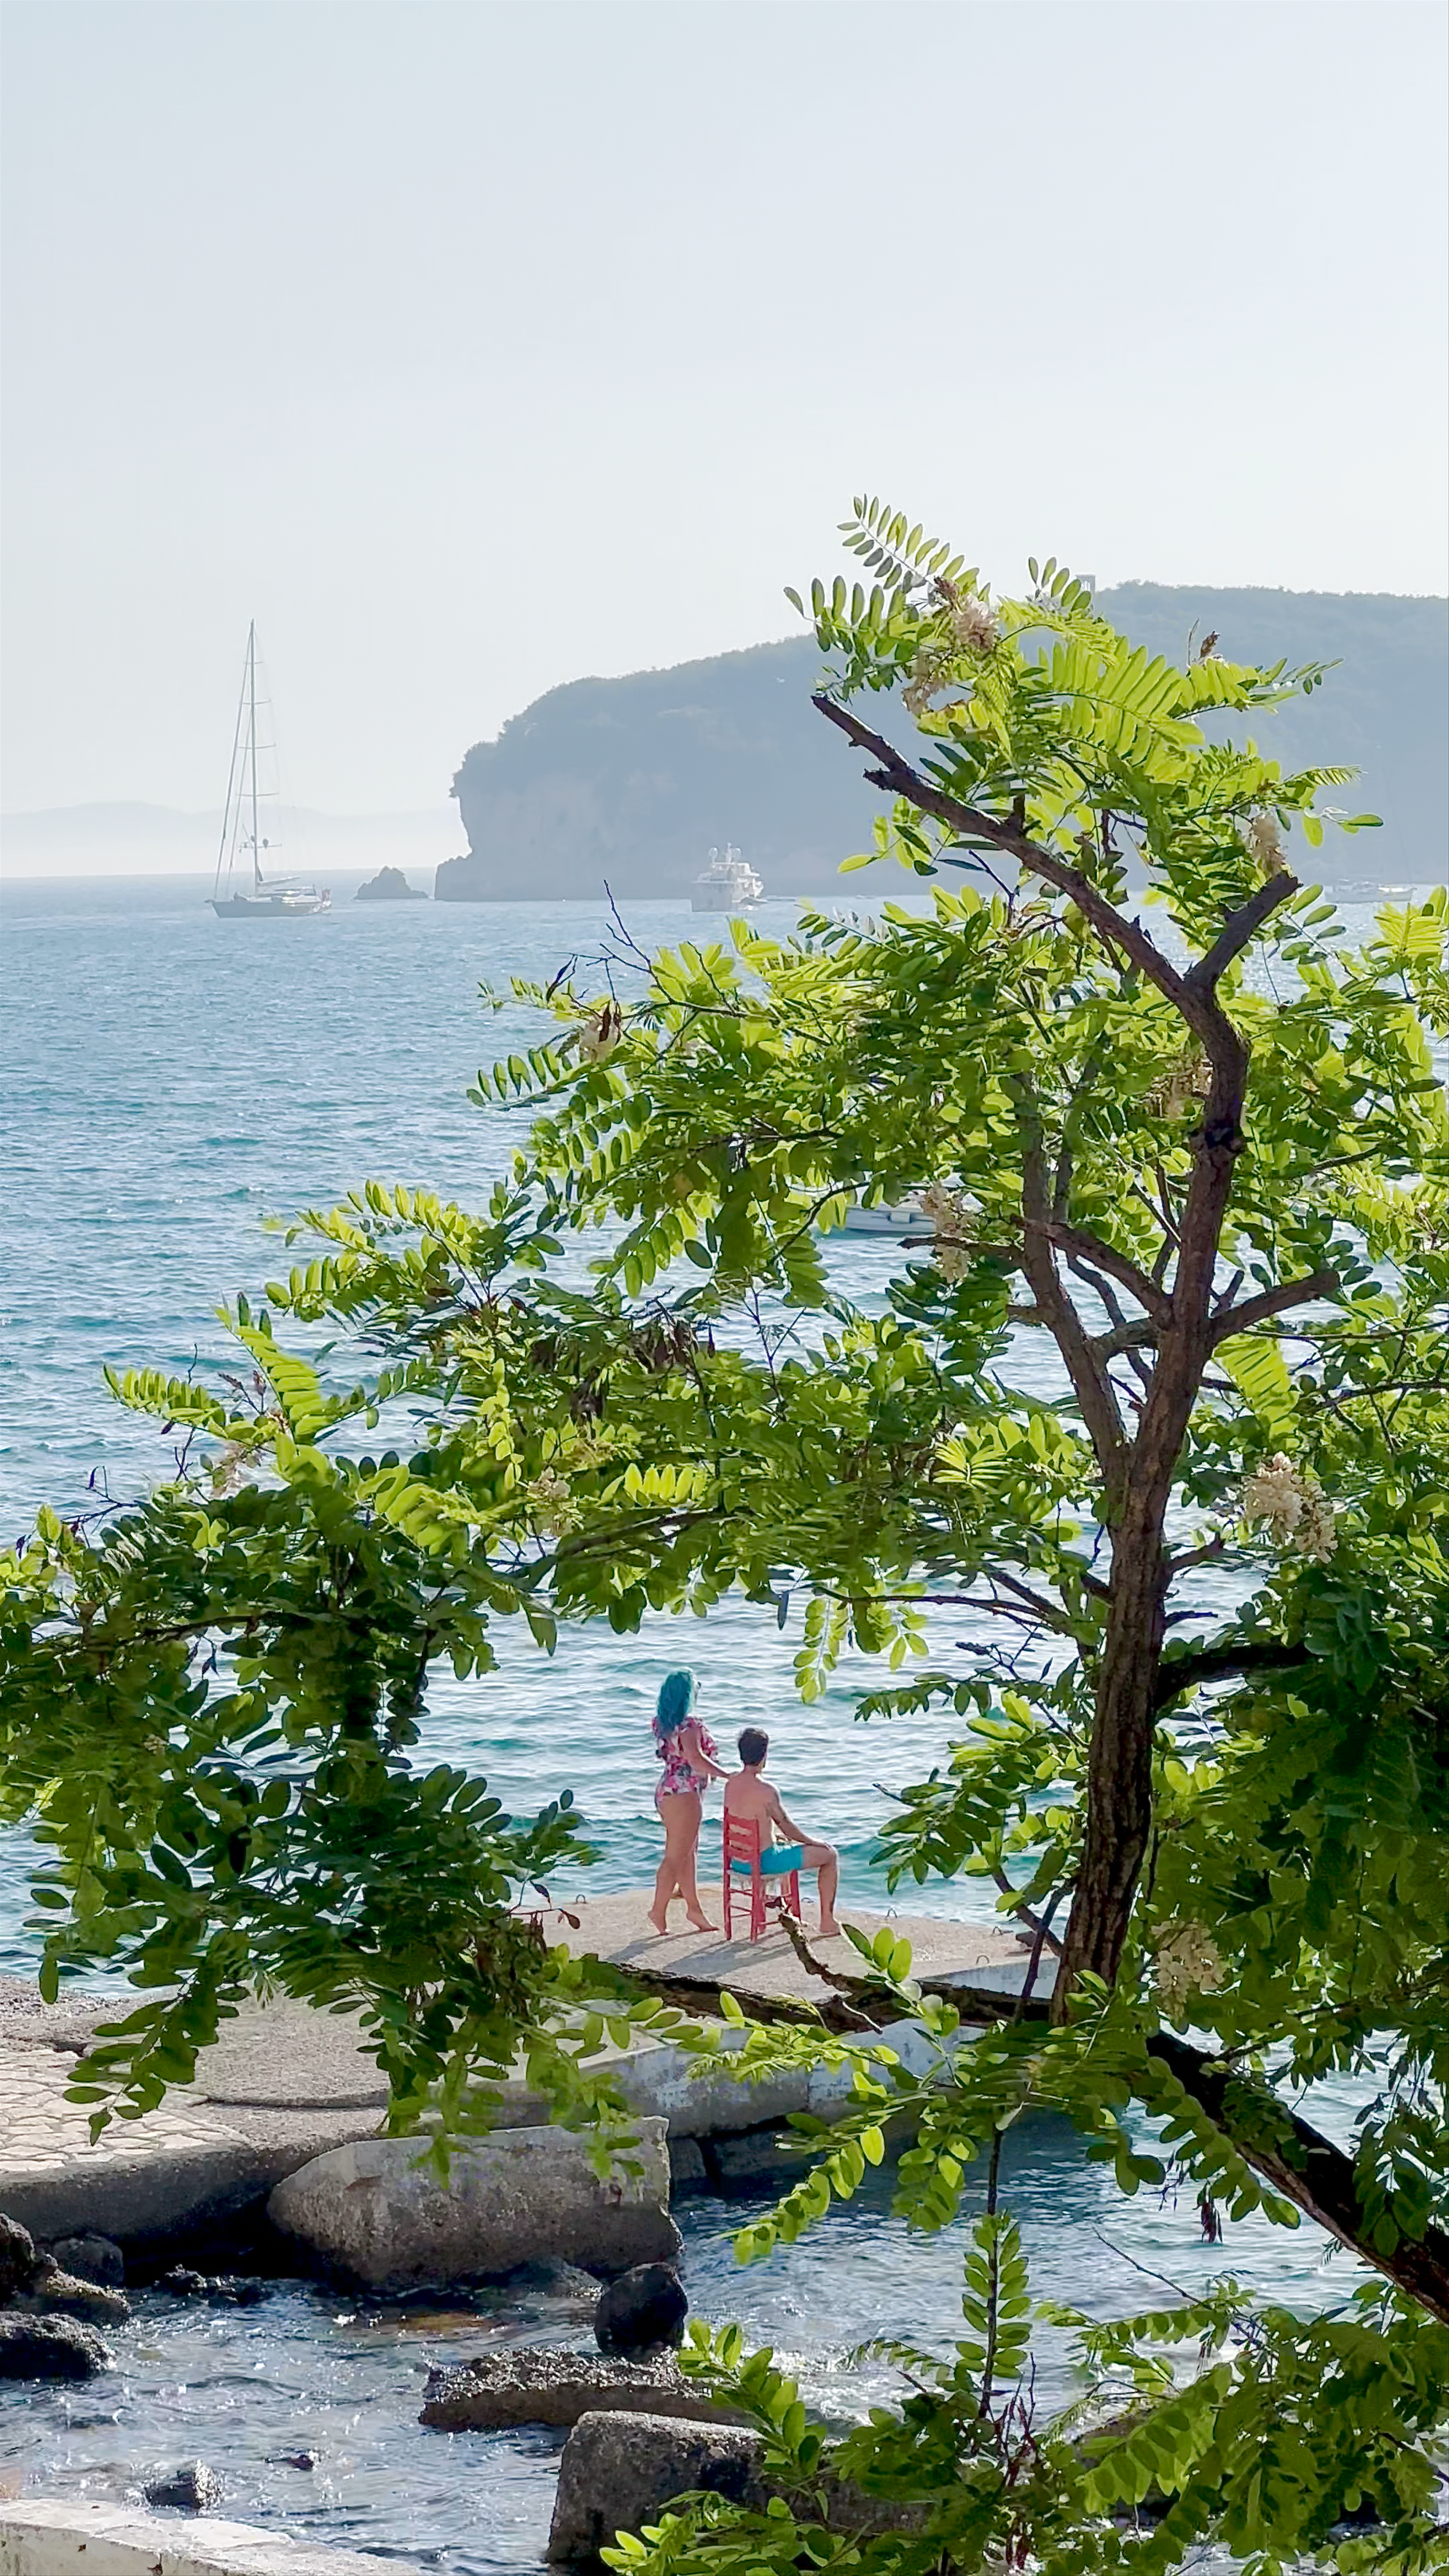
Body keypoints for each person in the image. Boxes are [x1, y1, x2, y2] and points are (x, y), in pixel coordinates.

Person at [723, 1727, 841, 1939]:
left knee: (780, 1843)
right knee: (830, 1855)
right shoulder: (767, 1791)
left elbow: (751, 1823)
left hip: (738, 1861)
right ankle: (827, 1921)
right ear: (764, 1755)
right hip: (763, 1862)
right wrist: (812, 1841)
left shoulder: (731, 1783)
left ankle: (775, 1914)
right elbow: (786, 1825)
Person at [648, 1669, 728, 1935]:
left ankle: (694, 1909)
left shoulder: (663, 1723)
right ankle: (658, 1910)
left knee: (687, 1853)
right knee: (675, 1857)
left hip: (667, 1789)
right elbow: (695, 1759)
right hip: (684, 1794)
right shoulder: (690, 1725)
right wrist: (728, 1775)